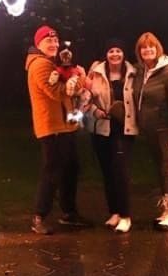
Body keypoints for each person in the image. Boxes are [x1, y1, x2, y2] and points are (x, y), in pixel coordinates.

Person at [25, 24, 91, 235]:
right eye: (48, 41)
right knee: (52, 171)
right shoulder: (40, 65)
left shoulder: (53, 63)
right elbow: (58, 92)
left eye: (55, 40)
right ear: (39, 44)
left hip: (65, 125)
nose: (53, 44)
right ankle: (39, 216)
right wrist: (81, 77)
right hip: (52, 127)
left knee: (71, 168)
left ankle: (69, 213)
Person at [84, 38, 137, 233]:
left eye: (118, 50)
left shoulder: (133, 73)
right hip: (101, 128)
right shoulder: (95, 72)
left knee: (120, 170)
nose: (115, 54)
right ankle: (114, 212)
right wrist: (93, 111)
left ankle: (125, 215)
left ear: (124, 53)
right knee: (107, 172)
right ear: (105, 54)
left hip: (124, 129)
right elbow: (84, 99)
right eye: (111, 51)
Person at [133, 31, 168, 230]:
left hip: (166, 129)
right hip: (150, 130)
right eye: (143, 48)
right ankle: (165, 208)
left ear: (158, 49)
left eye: (151, 47)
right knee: (161, 168)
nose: (147, 50)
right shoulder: (141, 71)